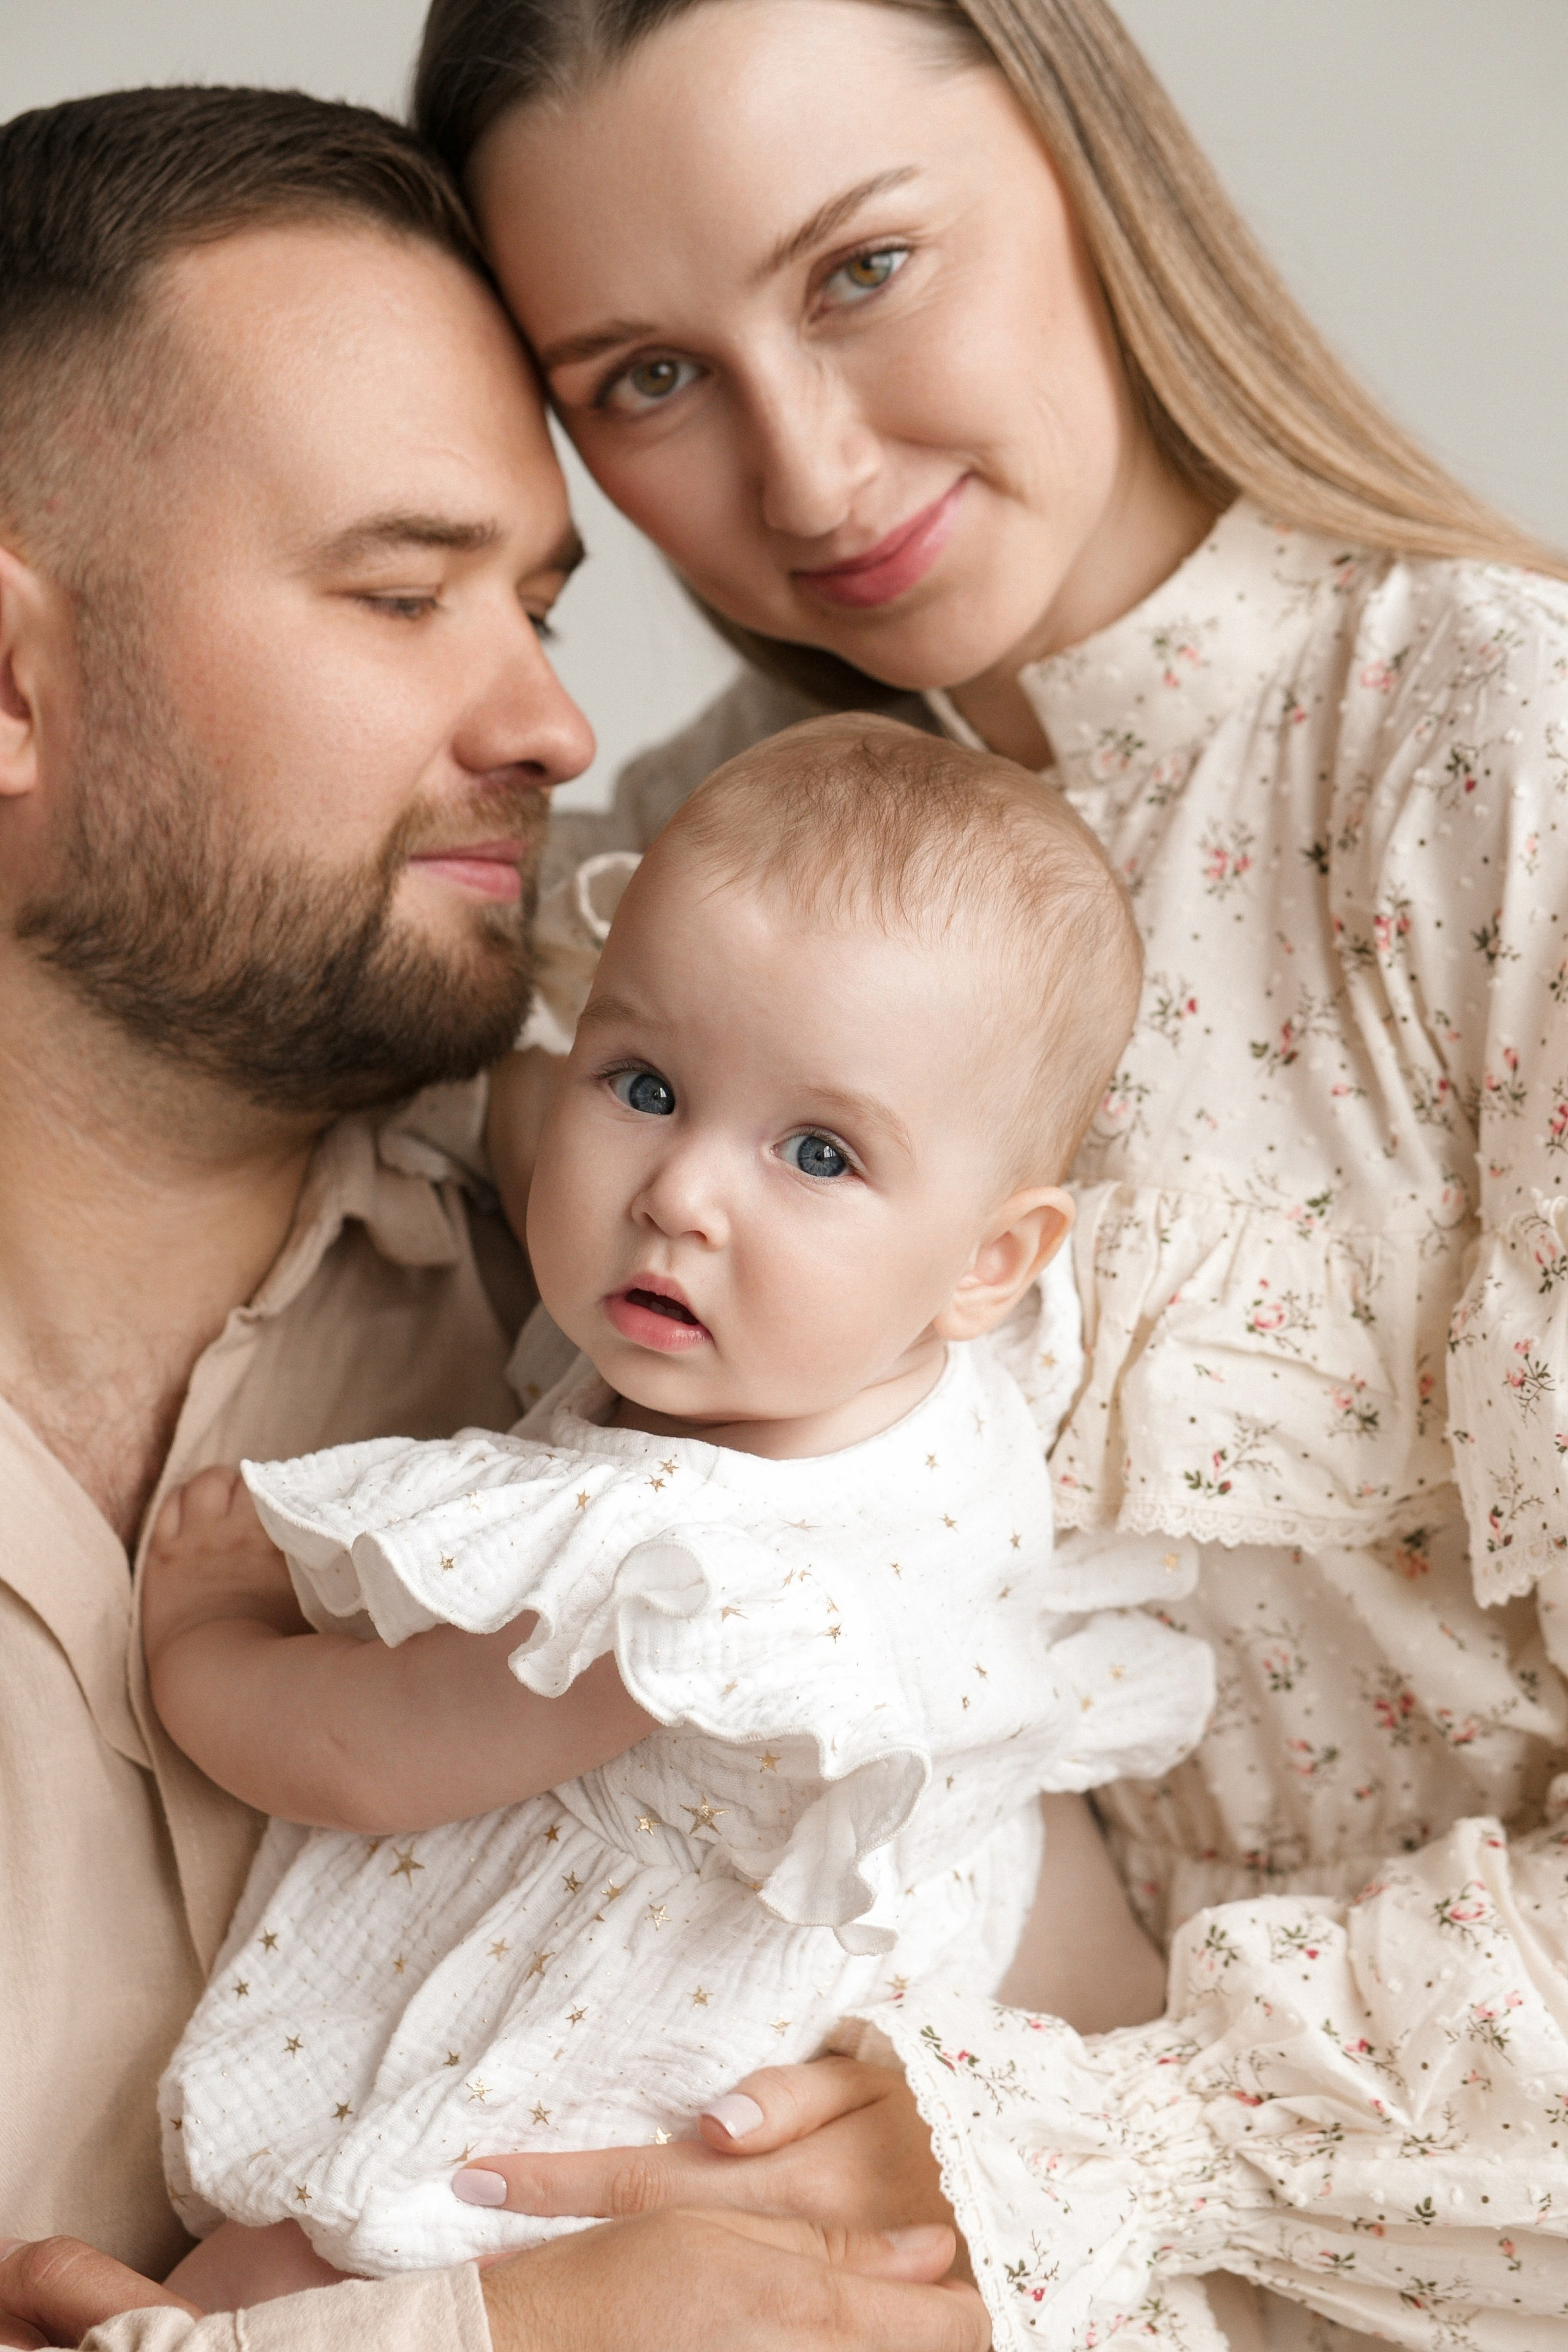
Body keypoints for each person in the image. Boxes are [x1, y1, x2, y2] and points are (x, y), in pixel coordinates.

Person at [405, 0, 1568, 2343]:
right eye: (645, 377)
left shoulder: (1491, 757)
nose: (809, 472)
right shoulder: (643, 896)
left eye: (859, 272)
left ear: (1079, 155)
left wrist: (1089, 2138)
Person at [0, 84, 988, 2352]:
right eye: (402, 590)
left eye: (536, 602)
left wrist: (939, 2177)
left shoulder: (695, 1333)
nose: (554, 720)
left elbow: (1039, 2099)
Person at [138, 714, 1212, 2310]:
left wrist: (201, 1631)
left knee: (281, 2267)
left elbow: (370, 1754)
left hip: (610, 2116)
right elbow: (540, 1113)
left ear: (995, 1257)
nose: (681, 1194)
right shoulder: (935, 1367)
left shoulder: (686, 1585)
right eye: (644, 1082)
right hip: (819, 2032)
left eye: (818, 1152)